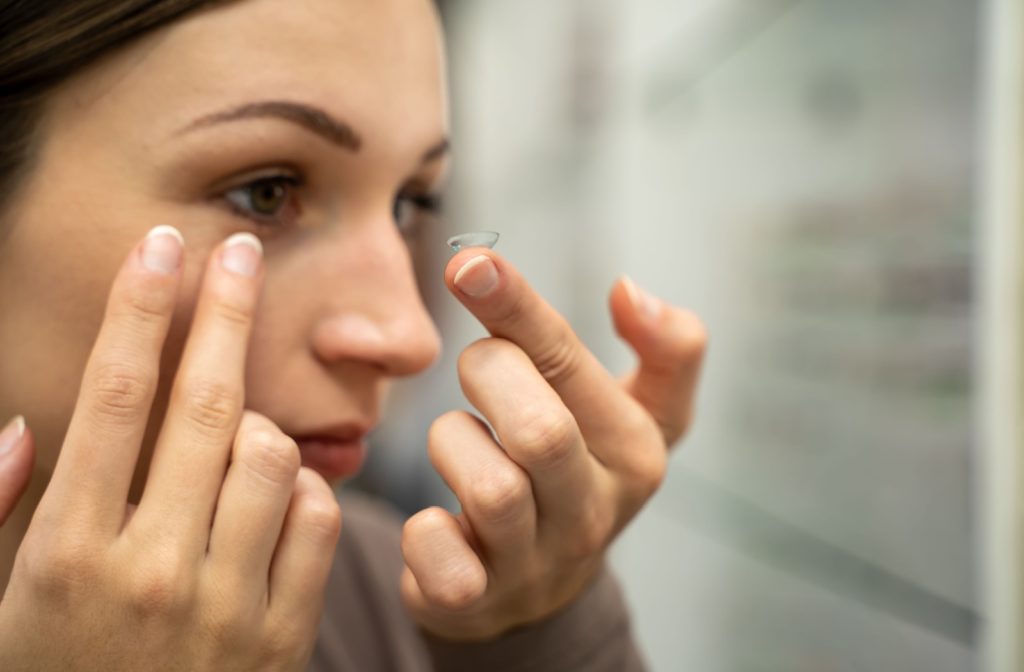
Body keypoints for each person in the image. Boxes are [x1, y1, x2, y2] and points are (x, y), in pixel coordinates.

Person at [0, 0, 706, 669]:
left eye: (409, 203)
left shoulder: (390, 591)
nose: (410, 338)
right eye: (266, 191)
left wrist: (536, 630)